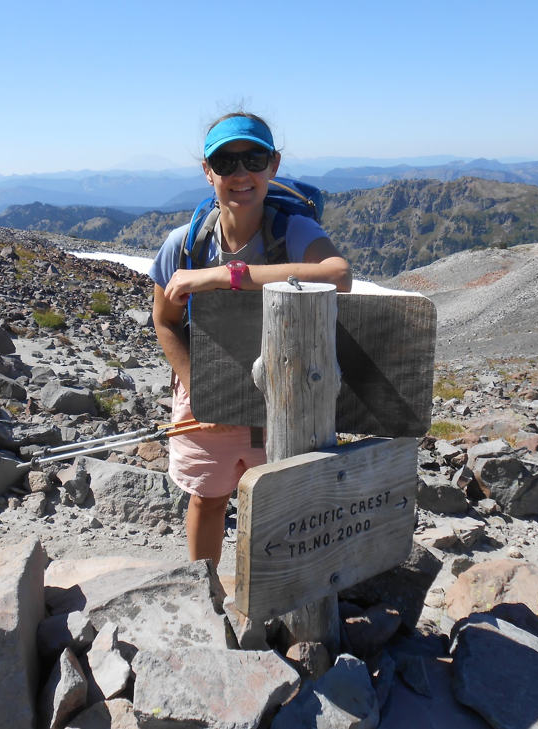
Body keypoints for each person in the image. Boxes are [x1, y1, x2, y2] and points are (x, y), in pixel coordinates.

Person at [148, 112, 351, 568]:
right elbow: (165, 322)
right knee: (209, 499)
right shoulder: (184, 245)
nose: (241, 173)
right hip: (208, 393)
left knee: (284, 503)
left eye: (253, 158)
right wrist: (200, 390)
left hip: (283, 393)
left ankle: (276, 591)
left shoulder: (293, 232)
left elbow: (339, 276)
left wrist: (230, 275)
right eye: (225, 161)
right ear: (208, 171)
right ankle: (209, 592)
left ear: (273, 166)